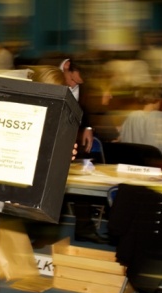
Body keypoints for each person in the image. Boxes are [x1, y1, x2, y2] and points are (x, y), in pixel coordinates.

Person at [60, 58, 108, 243]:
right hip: (47, 136)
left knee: (82, 179)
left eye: (77, 84)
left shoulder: (83, 80)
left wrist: (88, 127)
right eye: (72, 80)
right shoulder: (47, 71)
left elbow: (86, 105)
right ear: (66, 67)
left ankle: (84, 229)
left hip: (73, 137)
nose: (73, 85)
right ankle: (40, 233)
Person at [118, 86, 162, 158]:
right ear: (157, 100)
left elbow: (121, 139)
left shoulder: (131, 116)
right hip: (156, 164)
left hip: (133, 163)